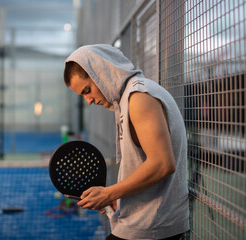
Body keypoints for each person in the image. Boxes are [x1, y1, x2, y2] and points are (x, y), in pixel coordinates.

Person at [63, 44, 189, 240]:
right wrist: (120, 197)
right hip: (143, 221)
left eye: (88, 90)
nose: (88, 100)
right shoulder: (128, 100)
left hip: (150, 226)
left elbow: (162, 164)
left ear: (101, 73)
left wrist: (109, 194)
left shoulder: (139, 98)